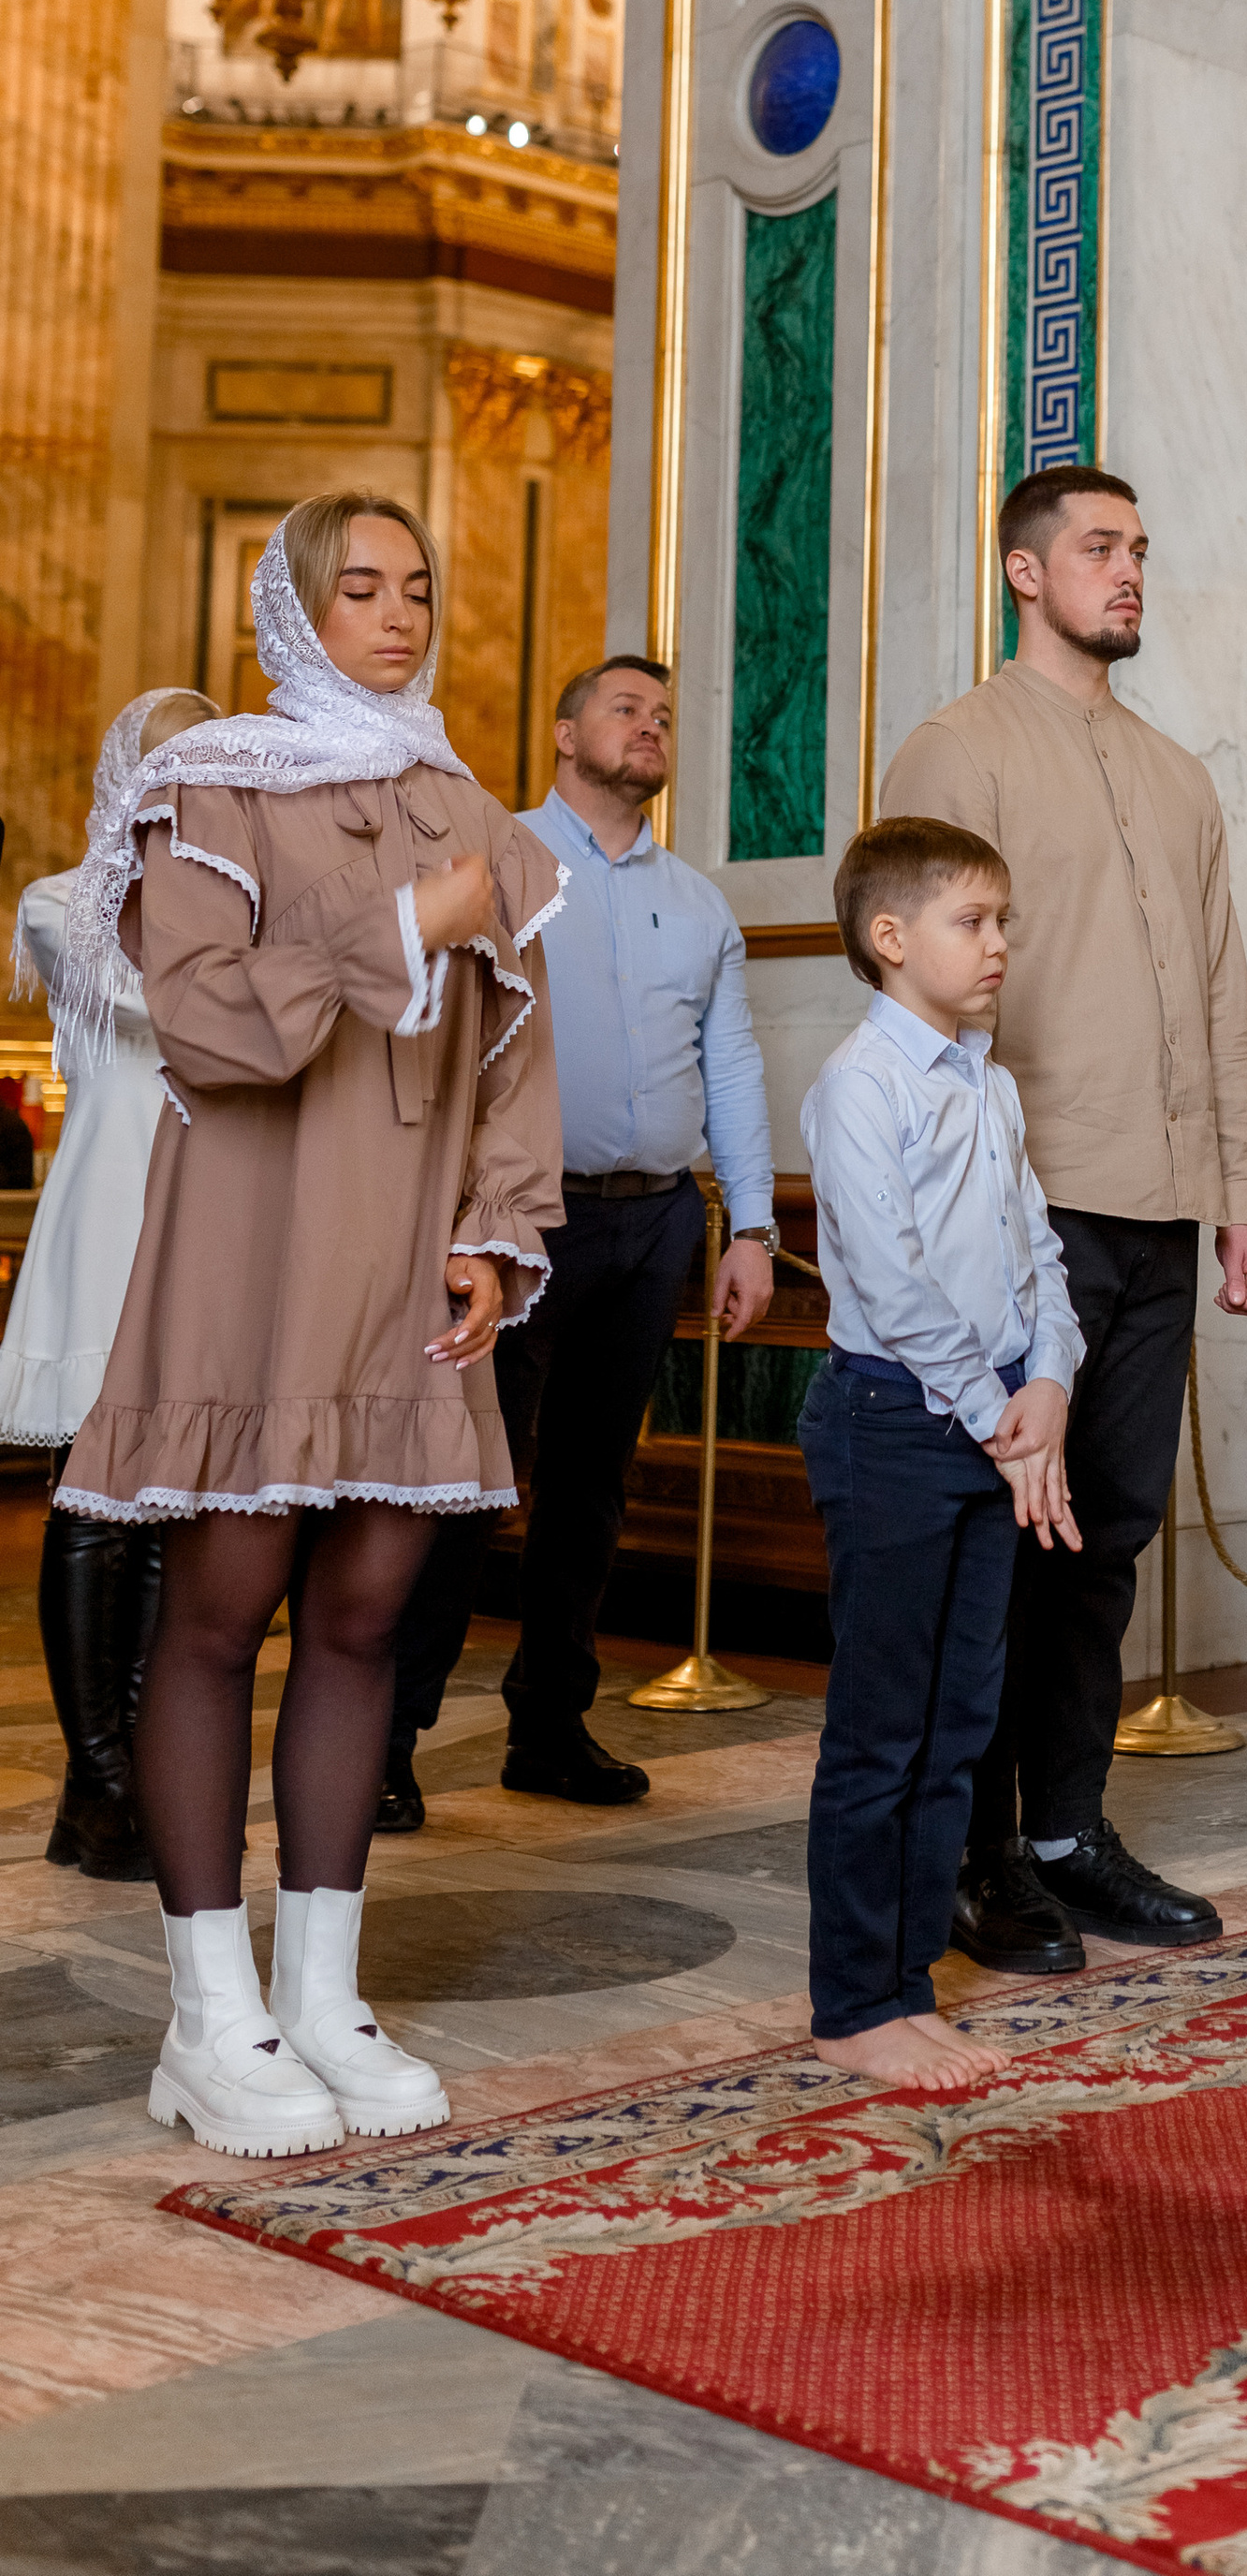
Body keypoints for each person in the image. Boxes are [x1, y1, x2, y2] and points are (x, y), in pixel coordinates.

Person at [54, 496, 564, 2157]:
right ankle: (211, 2018)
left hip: (410, 1261)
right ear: (293, 608)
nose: (398, 615)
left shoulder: (465, 806)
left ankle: (323, 1996)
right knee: (222, 1611)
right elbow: (207, 1026)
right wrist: (402, 925)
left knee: (365, 1618)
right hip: (259, 1250)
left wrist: (494, 1229)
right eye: (361, 587)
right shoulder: (209, 789)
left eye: (419, 587)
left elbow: (513, 1050)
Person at [882, 466, 1247, 1974]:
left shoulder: (1179, 777)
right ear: (1024, 572)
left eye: (1140, 550)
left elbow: (1223, 996)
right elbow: (920, 990)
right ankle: (974, 1852)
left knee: (1107, 1534)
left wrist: (1241, 1199)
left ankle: (1065, 1832)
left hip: (1160, 1206)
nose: (1129, 572)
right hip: (1021, 1208)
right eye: (1100, 548)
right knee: (1005, 1536)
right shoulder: (959, 748)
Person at [381, 654, 778, 1821]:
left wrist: (752, 1225)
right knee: (466, 1481)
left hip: (655, 1218)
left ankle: (549, 1728)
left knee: (592, 1487)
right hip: (517, 1219)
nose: (650, 725)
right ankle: (388, 1742)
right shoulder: (494, 863)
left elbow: (731, 1067)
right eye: (625, 708)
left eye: (664, 714)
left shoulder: (699, 903)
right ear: (564, 735)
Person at [799, 817, 1083, 2086]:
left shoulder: (990, 1082)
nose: (998, 944)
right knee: (881, 1730)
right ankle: (853, 2002)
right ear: (891, 938)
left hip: (992, 1421)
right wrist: (998, 1422)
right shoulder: (861, 1086)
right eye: (972, 922)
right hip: (895, 1428)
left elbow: (1037, 1255)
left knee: (959, 1723)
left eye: (1003, 921)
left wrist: (1050, 1384)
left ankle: (908, 1985)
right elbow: (895, 1286)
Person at [2, 693, 218, 1878]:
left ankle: (140, 1773)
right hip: (109, 1221)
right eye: (170, 758)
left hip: (211, 1224)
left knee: (174, 1511)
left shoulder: (241, 910)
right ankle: (95, 1787)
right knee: (95, 1506)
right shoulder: (61, 901)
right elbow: (171, 1011)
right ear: (125, 772)